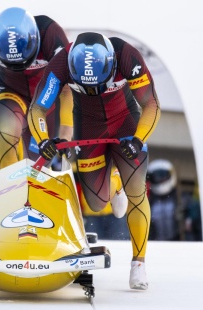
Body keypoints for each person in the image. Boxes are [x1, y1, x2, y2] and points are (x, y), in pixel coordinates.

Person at [27, 32, 161, 290]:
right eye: (87, 88)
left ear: (110, 65)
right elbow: (37, 108)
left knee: (136, 191)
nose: (94, 91)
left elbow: (151, 104)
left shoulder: (125, 56)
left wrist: (138, 139)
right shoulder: (62, 62)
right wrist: (43, 138)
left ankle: (139, 263)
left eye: (100, 85)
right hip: (88, 127)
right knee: (97, 204)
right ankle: (114, 180)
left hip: (126, 124)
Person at [0, 7, 73, 169]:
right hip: (10, 91)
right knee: (8, 132)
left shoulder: (51, 36)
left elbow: (67, 90)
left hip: (45, 99)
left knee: (39, 158)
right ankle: (5, 188)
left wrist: (65, 136)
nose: (21, 67)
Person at [147, 159, 180, 241]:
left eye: (162, 176)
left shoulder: (179, 197)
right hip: (156, 241)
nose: (159, 179)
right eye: (156, 177)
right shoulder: (149, 199)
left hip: (176, 241)